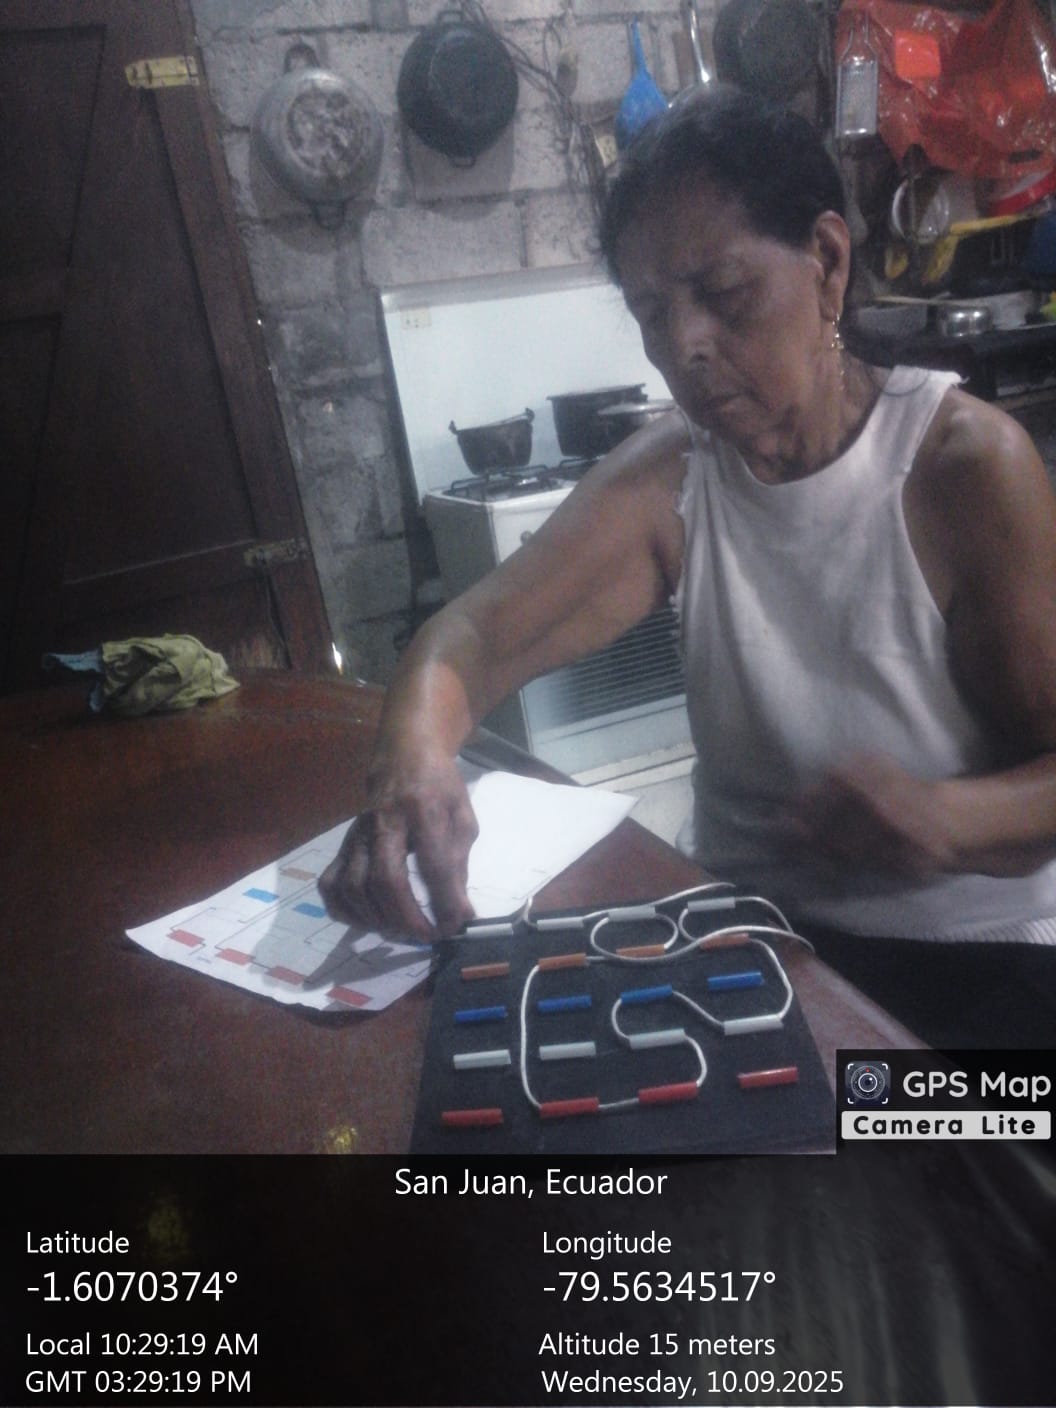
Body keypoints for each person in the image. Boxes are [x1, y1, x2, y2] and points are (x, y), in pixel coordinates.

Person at [320, 86, 1056, 1046]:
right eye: (650, 312)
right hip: (756, 939)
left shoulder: (962, 469)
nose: (684, 347)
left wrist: (947, 819)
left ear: (828, 262)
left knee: (921, 1128)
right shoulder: (679, 480)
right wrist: (412, 759)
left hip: (974, 962)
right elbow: (473, 637)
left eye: (724, 293)